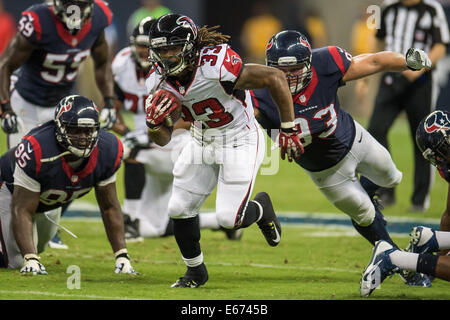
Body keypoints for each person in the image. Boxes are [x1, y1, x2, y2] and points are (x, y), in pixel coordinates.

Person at [252, 30, 432, 286]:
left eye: (295, 69)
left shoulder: (326, 63)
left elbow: (373, 61)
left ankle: (369, 197)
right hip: (325, 171)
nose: (289, 76)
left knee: (392, 176)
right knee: (365, 215)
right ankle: (400, 261)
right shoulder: (257, 93)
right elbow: (235, 119)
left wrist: (406, 60)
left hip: (354, 139)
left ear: (308, 62)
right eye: (283, 70)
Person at [145, 13, 303, 288]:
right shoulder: (156, 81)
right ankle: (195, 271)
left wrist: (288, 127)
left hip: (239, 138)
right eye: (161, 49)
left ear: (191, 46)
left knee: (229, 219)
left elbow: (275, 77)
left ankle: (261, 209)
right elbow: (163, 139)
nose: (167, 55)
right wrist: (152, 125)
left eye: (173, 47)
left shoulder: (217, 65)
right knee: (179, 208)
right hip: (200, 140)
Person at [112, 17, 242, 242]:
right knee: (153, 228)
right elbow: (113, 107)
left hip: (177, 144)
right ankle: (219, 222)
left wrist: (149, 133)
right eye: (142, 46)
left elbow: (193, 116)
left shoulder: (181, 72)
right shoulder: (123, 65)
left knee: (130, 151)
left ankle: (130, 219)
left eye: (149, 46)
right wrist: (123, 127)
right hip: (151, 145)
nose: (145, 52)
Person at [0, 95, 137, 275]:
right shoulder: (38, 148)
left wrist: (122, 257)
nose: (82, 137)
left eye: (88, 131)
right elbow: (22, 209)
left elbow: (109, 207)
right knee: (16, 261)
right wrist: (30, 258)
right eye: (75, 130)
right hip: (10, 191)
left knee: (39, 245)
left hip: (48, 200)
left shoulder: (108, 150)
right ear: (59, 129)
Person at [365, 0, 450, 211]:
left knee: (424, 140)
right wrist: (366, 77)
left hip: (420, 83)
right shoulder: (389, 7)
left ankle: (419, 200)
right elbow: (378, 41)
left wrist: (419, 69)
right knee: (375, 131)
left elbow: (440, 46)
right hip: (390, 80)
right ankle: (385, 190)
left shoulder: (432, 9)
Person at [0, 0, 117, 149]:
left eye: (79, 5)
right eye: (69, 3)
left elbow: (102, 62)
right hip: (26, 102)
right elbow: (5, 65)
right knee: (21, 166)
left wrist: (109, 102)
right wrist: (6, 109)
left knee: (61, 168)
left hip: (62, 108)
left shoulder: (98, 19)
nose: (74, 10)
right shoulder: (40, 20)